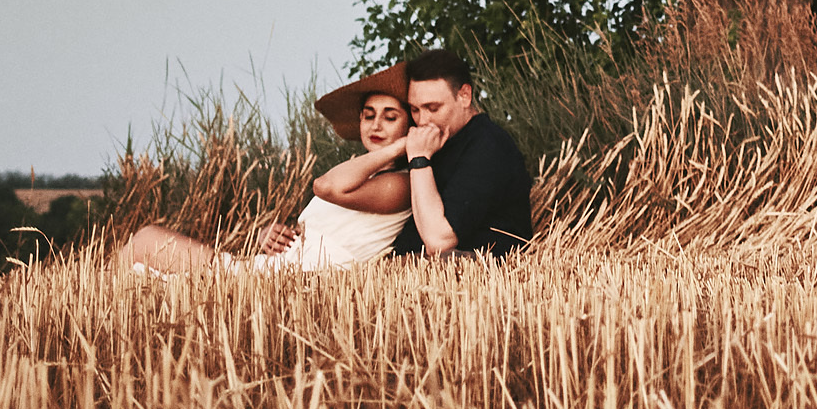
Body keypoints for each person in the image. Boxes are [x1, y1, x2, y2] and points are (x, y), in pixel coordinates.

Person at [118, 64, 417, 274]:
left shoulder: (402, 184)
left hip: (300, 279)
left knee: (145, 241)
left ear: (409, 126)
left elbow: (327, 187)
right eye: (368, 116)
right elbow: (323, 229)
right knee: (141, 258)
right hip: (279, 269)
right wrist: (272, 235)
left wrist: (403, 146)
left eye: (390, 118)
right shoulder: (360, 173)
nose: (376, 125)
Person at [392, 47, 532, 258]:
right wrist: (399, 149)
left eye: (433, 108)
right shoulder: (436, 141)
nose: (423, 121)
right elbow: (331, 187)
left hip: (478, 275)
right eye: (415, 110)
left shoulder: (489, 146)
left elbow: (438, 241)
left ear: (465, 96)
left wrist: (419, 159)